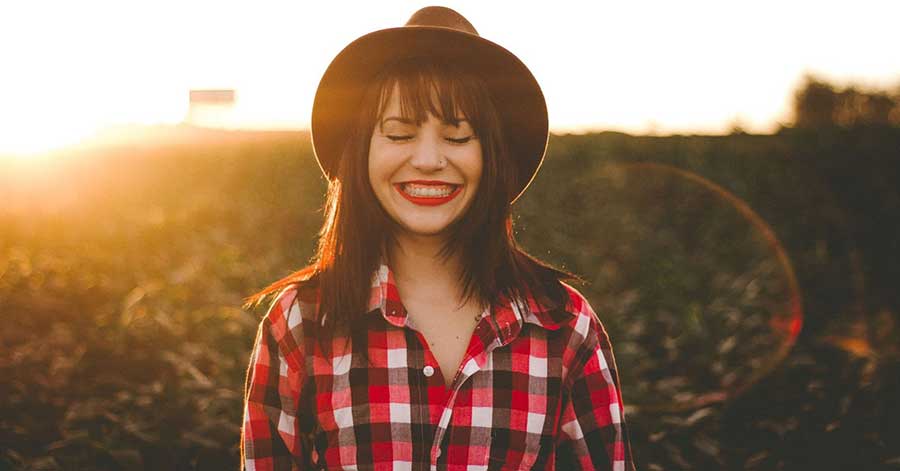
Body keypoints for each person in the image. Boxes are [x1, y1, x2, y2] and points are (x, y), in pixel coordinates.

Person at [241, 6, 634, 470]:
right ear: (361, 151)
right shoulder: (301, 323)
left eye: (458, 137)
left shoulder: (564, 326)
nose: (428, 160)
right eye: (399, 133)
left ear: (493, 156)